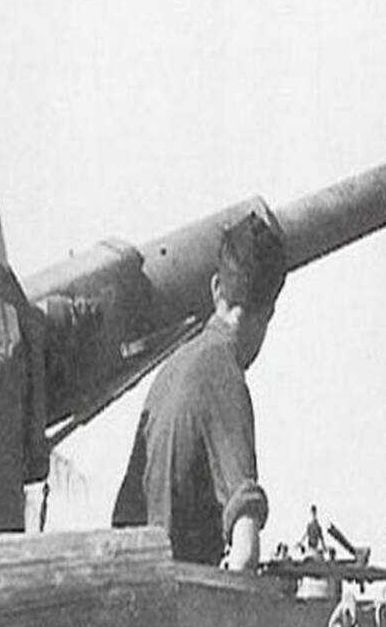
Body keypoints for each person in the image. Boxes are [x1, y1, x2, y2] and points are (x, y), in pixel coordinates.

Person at [112, 211, 286, 568]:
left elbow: (126, 519)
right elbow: (245, 550)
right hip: (184, 595)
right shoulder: (225, 377)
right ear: (268, 312)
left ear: (216, 288)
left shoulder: (171, 370)